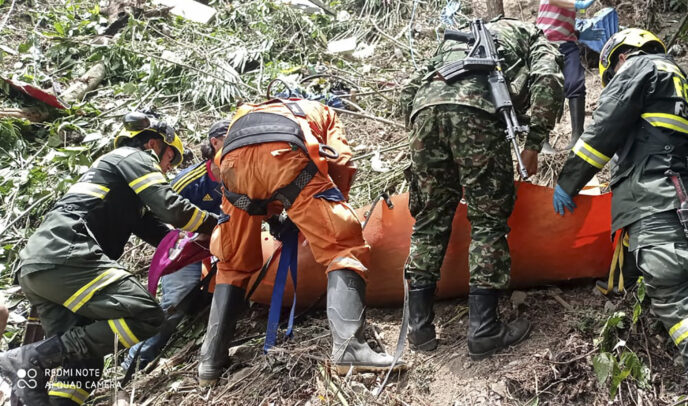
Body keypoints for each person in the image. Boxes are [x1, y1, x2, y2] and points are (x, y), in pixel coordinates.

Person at [552, 28, 688, 391]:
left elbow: (603, 130)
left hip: (656, 195)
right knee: (686, 269)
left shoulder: (640, 68)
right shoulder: (678, 78)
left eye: (609, 77)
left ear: (622, 56)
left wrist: (567, 181)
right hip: (684, 194)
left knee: (672, 285)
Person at [0, 112, 218, 406]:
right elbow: (172, 209)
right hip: (68, 253)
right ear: (154, 144)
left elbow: (165, 237)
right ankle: (27, 358)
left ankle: (33, 379)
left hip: (40, 265)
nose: (167, 170)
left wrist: (203, 245)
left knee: (83, 367)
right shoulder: (132, 155)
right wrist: (217, 225)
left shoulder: (123, 191)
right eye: (169, 160)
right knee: (147, 313)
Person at [197, 97, 400, 386]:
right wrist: (331, 207)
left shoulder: (247, 111)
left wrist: (274, 214)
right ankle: (349, 350)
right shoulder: (323, 112)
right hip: (285, 157)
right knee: (342, 246)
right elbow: (340, 161)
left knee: (231, 262)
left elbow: (251, 170)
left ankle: (210, 363)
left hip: (232, 168)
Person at [400, 18, 564, 360]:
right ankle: (484, 329)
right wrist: (534, 142)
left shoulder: (456, 39)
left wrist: (420, 131)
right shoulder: (532, 35)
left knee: (430, 219)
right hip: (479, 115)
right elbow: (547, 79)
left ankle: (418, 328)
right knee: (488, 221)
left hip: (424, 115)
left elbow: (408, 90)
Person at [121, 119, 229, 372]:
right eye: (231, 139)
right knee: (176, 302)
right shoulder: (190, 181)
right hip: (189, 248)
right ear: (215, 143)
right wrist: (191, 235)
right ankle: (134, 363)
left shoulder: (246, 175)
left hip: (224, 247)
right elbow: (159, 214)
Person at [536, 0, 598, 150]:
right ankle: (542, 140)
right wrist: (579, 6)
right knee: (546, 87)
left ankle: (577, 134)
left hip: (568, 44)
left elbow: (565, 23)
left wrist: (580, 34)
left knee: (575, 83)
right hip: (546, 43)